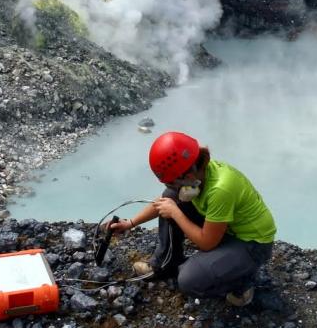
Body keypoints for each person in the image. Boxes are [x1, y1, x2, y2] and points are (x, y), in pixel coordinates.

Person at [110, 131, 276, 306]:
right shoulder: (197, 172)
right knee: (170, 198)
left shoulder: (221, 189)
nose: (170, 187)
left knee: (190, 281)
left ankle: (243, 283)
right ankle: (165, 265)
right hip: (226, 229)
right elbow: (163, 202)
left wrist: (176, 213)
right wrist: (130, 223)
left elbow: (207, 243)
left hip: (252, 243)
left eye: (170, 182)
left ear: (187, 177)